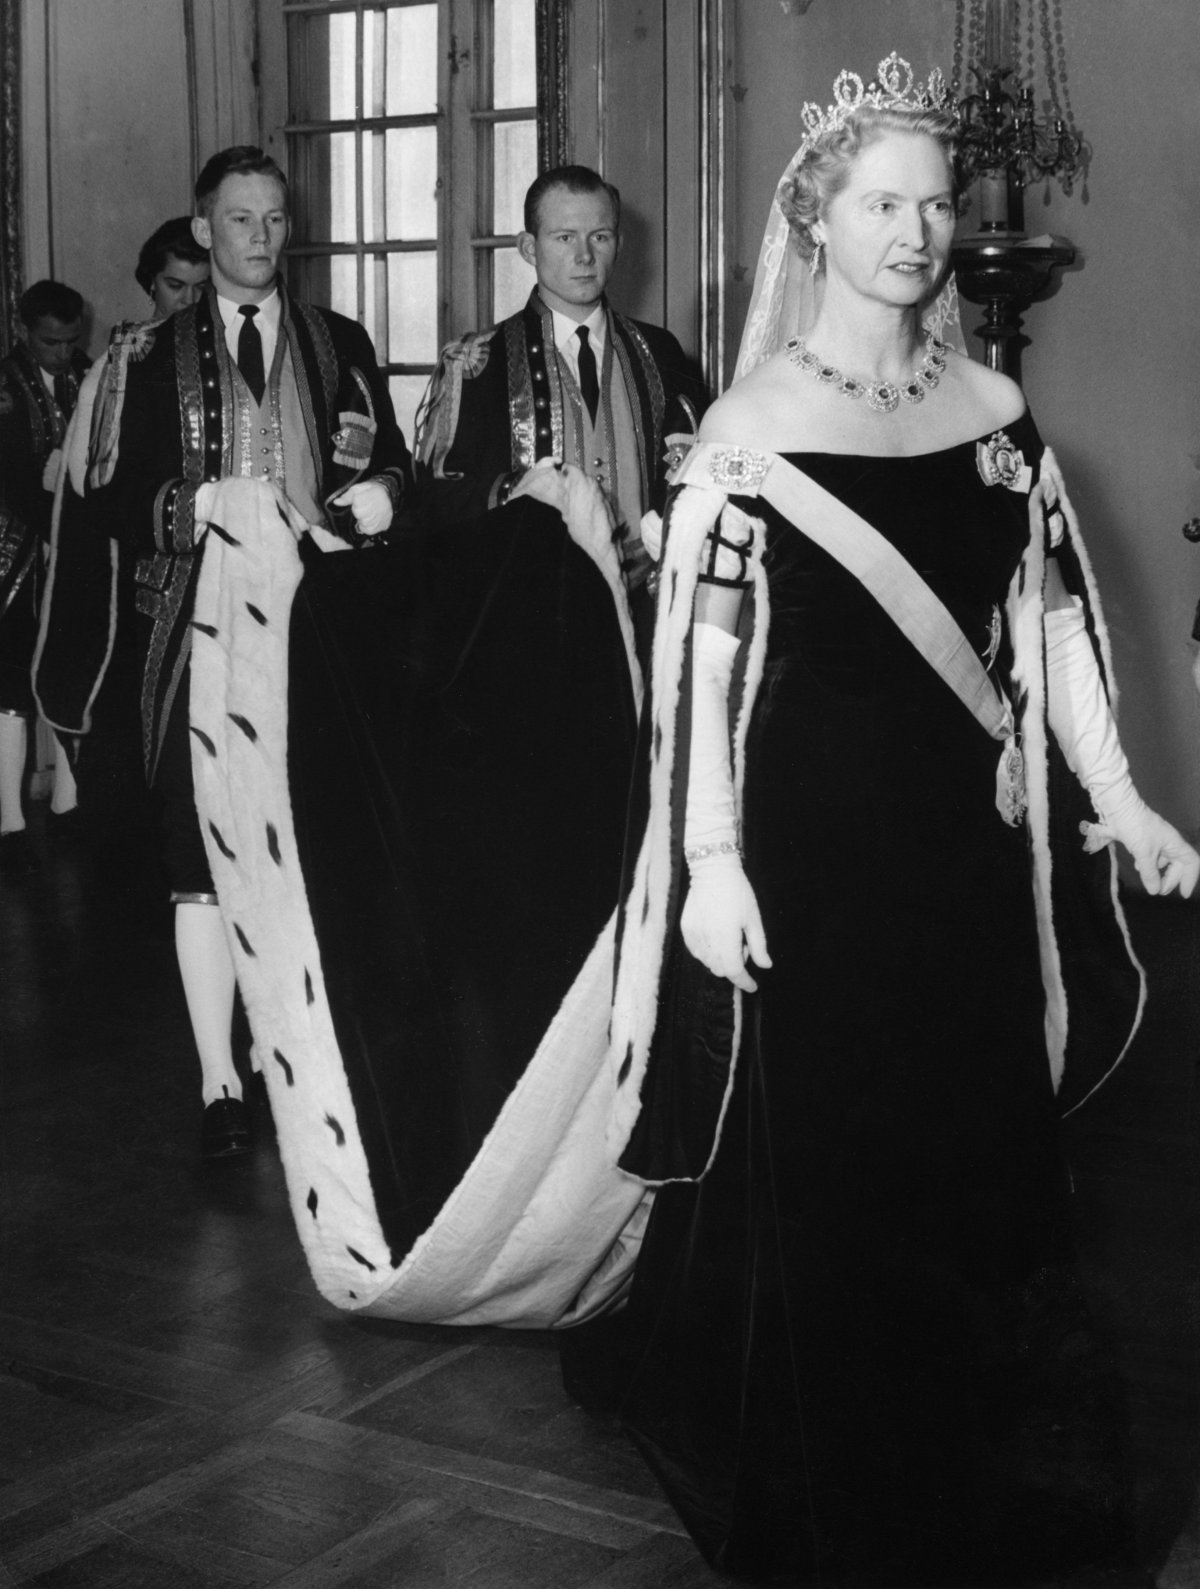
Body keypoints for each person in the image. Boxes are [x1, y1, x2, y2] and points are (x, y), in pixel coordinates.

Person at [575, 54, 1200, 1588]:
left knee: (983, 1159)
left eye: (932, 203)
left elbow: (1050, 625)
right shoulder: (750, 427)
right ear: (817, 220)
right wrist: (711, 864)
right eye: (882, 203)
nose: (918, 231)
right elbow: (702, 674)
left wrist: (1119, 798)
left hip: (966, 856)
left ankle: (1002, 1475)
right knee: (848, 1168)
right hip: (812, 856)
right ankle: (855, 1484)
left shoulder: (992, 406)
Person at [84, 148, 411, 1159]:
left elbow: (388, 451)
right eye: (240, 220)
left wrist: (388, 493)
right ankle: (218, 1078)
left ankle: (287, 1055)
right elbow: (108, 492)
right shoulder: (147, 357)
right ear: (202, 227)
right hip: (194, 635)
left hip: (320, 627)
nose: (261, 237)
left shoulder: (340, 339)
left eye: (274, 218)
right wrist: (190, 503)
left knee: (306, 839)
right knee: (201, 852)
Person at [414, 164, 706, 654]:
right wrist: (519, 493)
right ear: (529, 248)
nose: (585, 256)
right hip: (527, 617)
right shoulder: (479, 361)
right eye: (564, 238)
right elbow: (441, 502)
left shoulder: (660, 353)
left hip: (647, 613)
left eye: (600, 236)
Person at [0, 281, 90, 877]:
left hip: (74, 545)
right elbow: (6, 474)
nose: (61, 354)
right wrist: (52, 515)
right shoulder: (4, 385)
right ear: (23, 331)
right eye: (49, 343)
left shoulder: (92, 375)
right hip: (15, 546)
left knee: (70, 666)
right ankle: (7, 814)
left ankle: (69, 801)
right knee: (10, 672)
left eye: (69, 342)